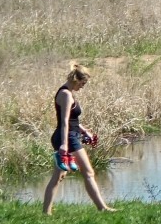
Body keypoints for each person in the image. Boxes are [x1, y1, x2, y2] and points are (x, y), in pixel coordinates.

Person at [43, 64, 114, 214]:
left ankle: (46, 212)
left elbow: (73, 121)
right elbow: (64, 121)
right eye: (83, 83)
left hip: (71, 136)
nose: (83, 87)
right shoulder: (66, 95)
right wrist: (63, 144)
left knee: (58, 177)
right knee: (88, 172)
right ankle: (102, 208)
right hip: (68, 139)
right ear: (76, 80)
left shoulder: (67, 93)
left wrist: (84, 131)